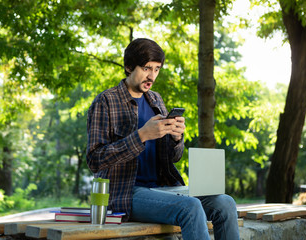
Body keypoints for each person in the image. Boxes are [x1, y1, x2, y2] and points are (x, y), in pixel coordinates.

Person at [86, 38, 239, 240]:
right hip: (125, 193)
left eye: (157, 69)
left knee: (225, 202)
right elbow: (95, 159)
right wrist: (141, 135)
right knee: (190, 207)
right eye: (146, 68)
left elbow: (173, 157)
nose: (152, 76)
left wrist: (176, 138)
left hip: (163, 189)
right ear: (128, 66)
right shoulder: (106, 101)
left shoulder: (156, 100)